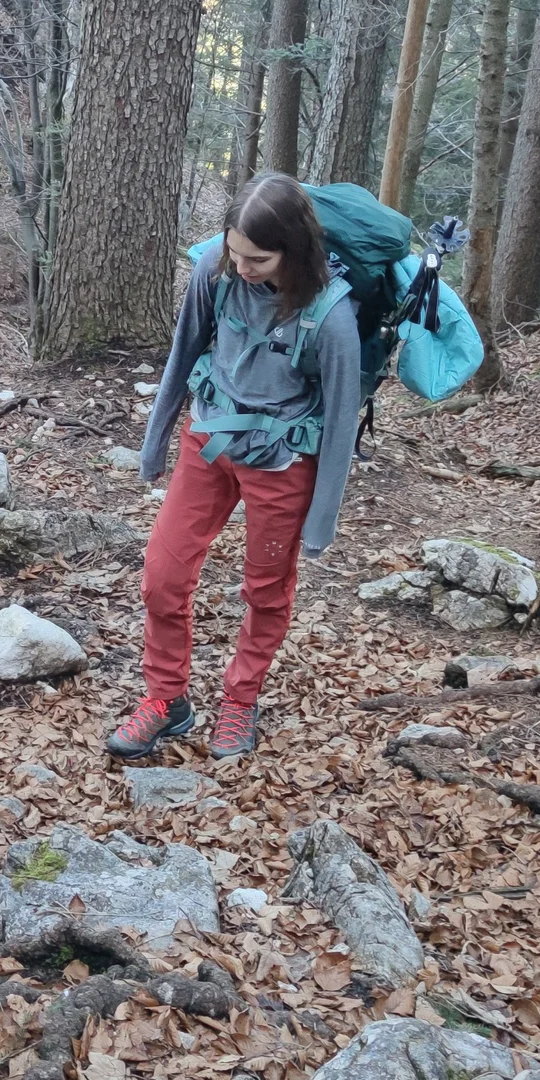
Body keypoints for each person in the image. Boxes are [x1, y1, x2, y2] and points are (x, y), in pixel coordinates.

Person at [108, 173, 361, 763]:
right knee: (162, 575)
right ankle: (167, 699)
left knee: (265, 590)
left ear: (293, 252)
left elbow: (343, 422)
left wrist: (322, 519)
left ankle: (240, 700)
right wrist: (154, 443)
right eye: (234, 250)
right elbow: (183, 353)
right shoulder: (213, 274)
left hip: (282, 460)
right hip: (208, 441)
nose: (242, 267)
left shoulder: (333, 319)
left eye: (259, 258)